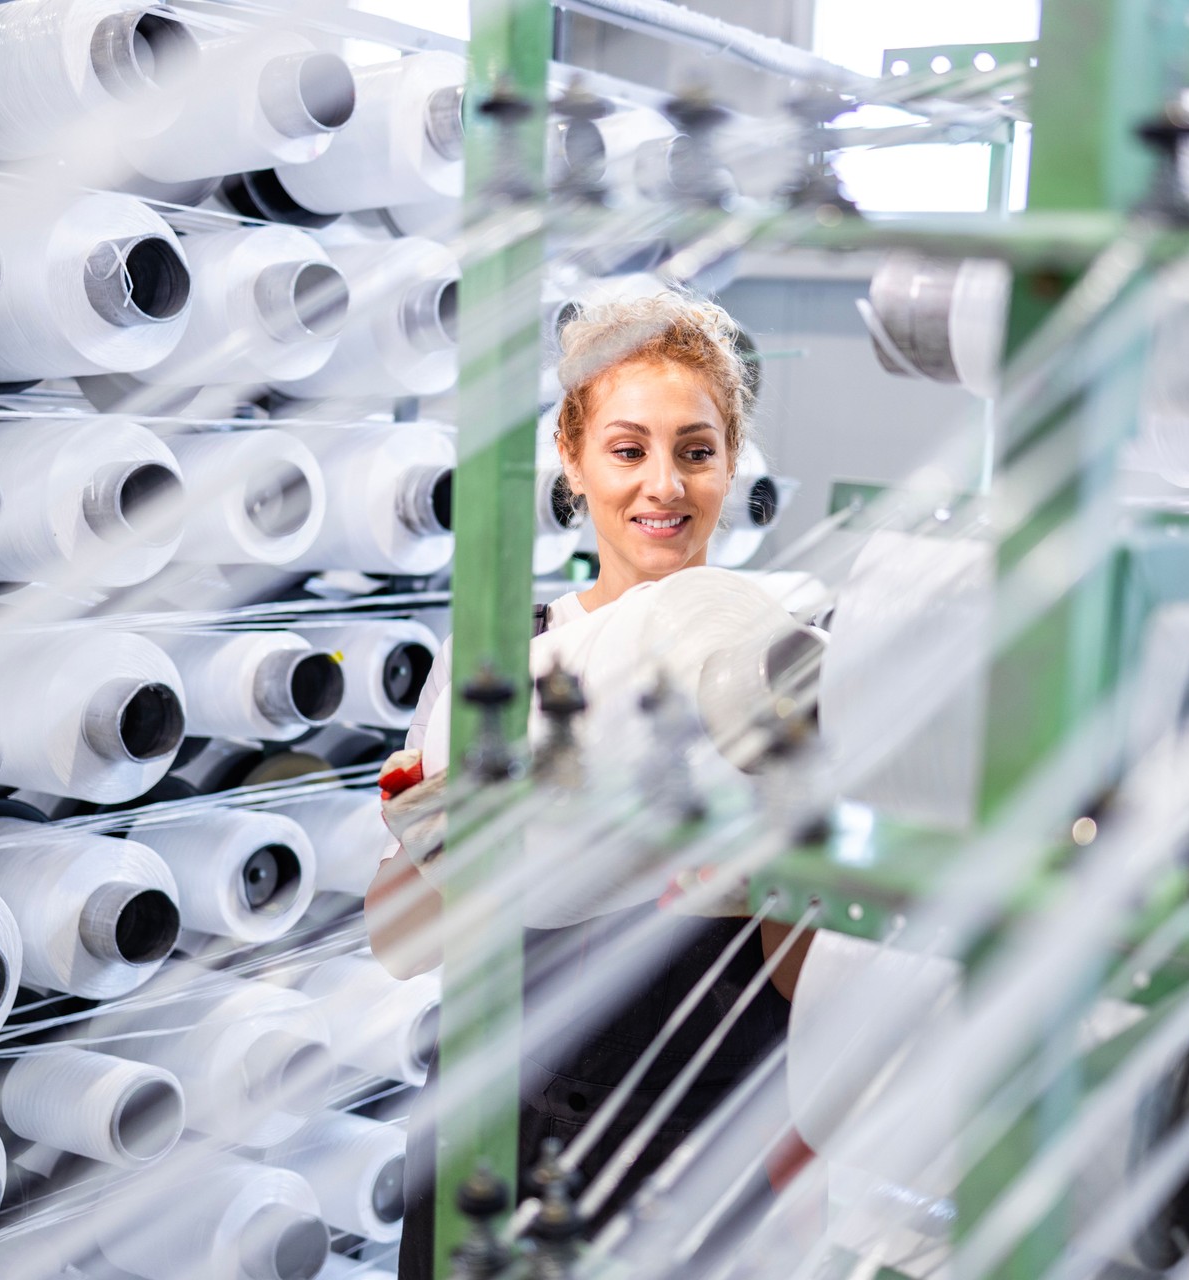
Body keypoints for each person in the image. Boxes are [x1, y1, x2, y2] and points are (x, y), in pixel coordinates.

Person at [365, 289, 813, 1275]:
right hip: (493, 1131)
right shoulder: (499, 659)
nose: (666, 484)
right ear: (571, 462)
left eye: (696, 450)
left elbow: (800, 983)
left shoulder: (790, 662)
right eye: (627, 448)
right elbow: (398, 941)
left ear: (731, 464)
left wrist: (769, 822)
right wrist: (461, 817)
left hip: (692, 1150)